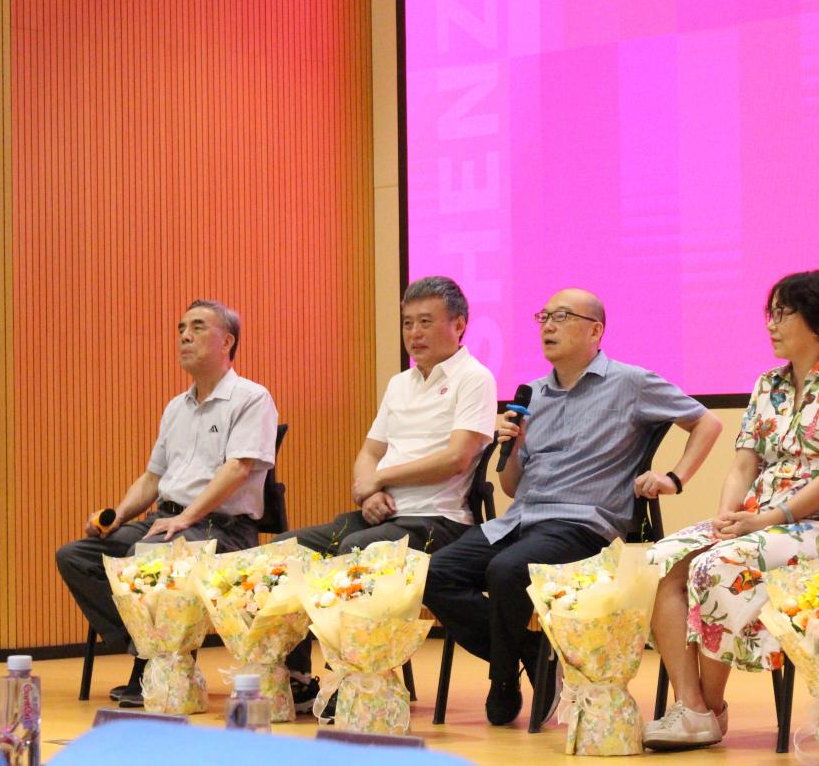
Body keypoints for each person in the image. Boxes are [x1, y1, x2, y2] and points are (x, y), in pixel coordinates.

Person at [422, 288, 723, 726]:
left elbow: (707, 422)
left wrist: (674, 479)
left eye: (561, 317)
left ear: (595, 331)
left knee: (506, 571)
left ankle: (502, 680)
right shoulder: (533, 394)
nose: (548, 326)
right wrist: (514, 448)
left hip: (582, 526)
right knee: (433, 574)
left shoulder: (630, 383)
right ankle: (529, 651)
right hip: (520, 521)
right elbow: (511, 487)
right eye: (543, 317)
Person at [642, 270, 819, 750]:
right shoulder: (768, 385)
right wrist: (725, 517)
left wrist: (766, 520)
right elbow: (743, 465)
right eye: (770, 314)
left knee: (716, 565)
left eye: (783, 314)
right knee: (660, 559)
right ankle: (692, 707)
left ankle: (709, 709)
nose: (771, 324)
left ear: (818, 322)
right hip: (758, 523)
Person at [277, 276, 497, 706]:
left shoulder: (475, 378)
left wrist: (382, 478)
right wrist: (368, 492)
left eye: (426, 322)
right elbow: (370, 452)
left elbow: (456, 458)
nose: (414, 333)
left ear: (459, 324)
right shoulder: (400, 383)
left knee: (356, 552)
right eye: (407, 323)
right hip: (384, 515)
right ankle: (298, 676)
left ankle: (355, 680)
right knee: (287, 549)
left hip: (438, 521)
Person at [55, 299, 278, 707]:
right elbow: (152, 478)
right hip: (167, 521)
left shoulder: (252, 398)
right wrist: (117, 516)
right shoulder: (176, 407)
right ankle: (153, 650)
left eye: (197, 327)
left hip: (222, 529)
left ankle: (152, 666)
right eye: (180, 329)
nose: (184, 336)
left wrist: (188, 517)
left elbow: (238, 469)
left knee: (145, 557)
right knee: (77, 556)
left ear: (227, 341)